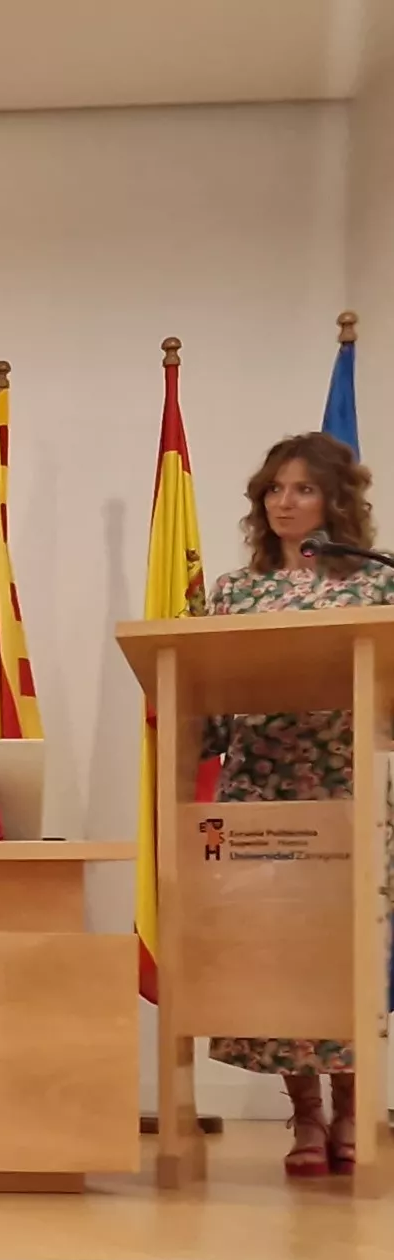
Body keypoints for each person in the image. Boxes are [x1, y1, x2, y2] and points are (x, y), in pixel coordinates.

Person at [201, 432, 393, 1179]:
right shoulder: (235, 591)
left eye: (302, 489)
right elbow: (208, 700)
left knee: (339, 952)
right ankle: (304, 1113)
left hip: (343, 787)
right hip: (259, 793)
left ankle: (352, 1106)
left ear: (335, 502)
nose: (284, 502)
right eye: (274, 489)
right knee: (275, 954)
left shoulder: (372, 589)